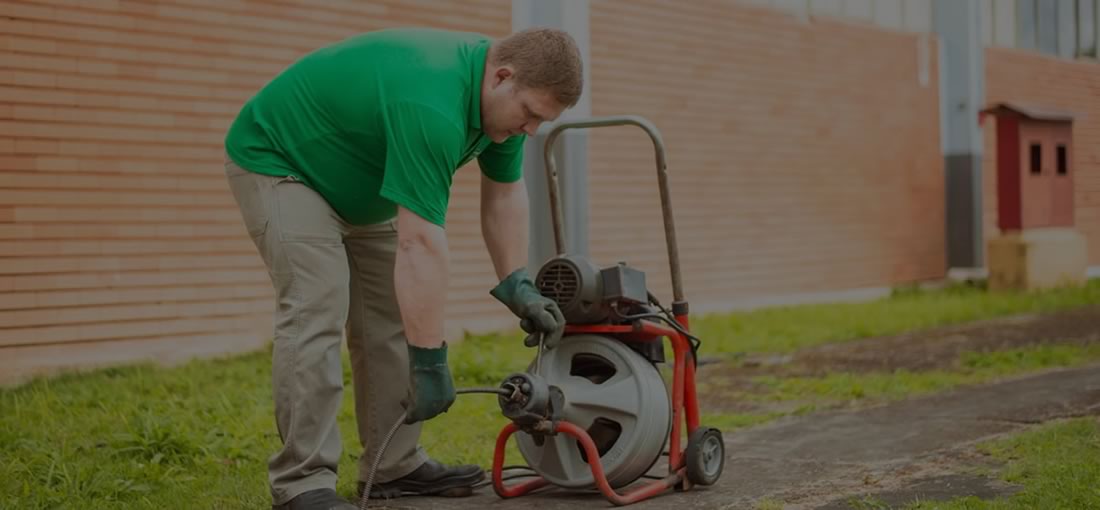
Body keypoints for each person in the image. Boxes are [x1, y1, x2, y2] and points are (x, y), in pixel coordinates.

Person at [222, 26, 582, 510]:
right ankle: (302, 483)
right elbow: (421, 245)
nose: (532, 130)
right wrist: (431, 362)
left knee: (392, 318)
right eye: (531, 115)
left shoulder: (501, 109)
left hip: (360, 186)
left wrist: (516, 281)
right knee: (318, 309)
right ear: (502, 77)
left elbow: (503, 197)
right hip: (283, 163)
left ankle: (395, 465)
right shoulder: (432, 100)